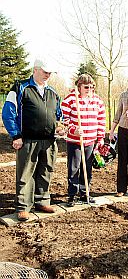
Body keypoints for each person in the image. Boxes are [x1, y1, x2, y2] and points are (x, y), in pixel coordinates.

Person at [2, 58, 64, 221]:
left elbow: (58, 116)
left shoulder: (53, 92)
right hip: (28, 140)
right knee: (25, 174)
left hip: (49, 141)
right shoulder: (20, 88)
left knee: (46, 171)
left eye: (50, 72)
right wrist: (16, 135)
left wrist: (60, 128)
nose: (48, 75)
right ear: (35, 69)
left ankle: (42, 201)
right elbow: (8, 113)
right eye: (45, 71)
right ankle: (23, 206)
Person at [61, 74, 106, 207]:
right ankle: (72, 195)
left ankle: (84, 192)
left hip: (90, 141)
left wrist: (101, 137)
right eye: (86, 87)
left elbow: (101, 120)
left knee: (87, 168)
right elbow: (63, 120)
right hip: (75, 141)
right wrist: (73, 129)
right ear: (79, 86)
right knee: (74, 168)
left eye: (92, 87)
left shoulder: (97, 101)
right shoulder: (70, 100)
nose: (89, 89)